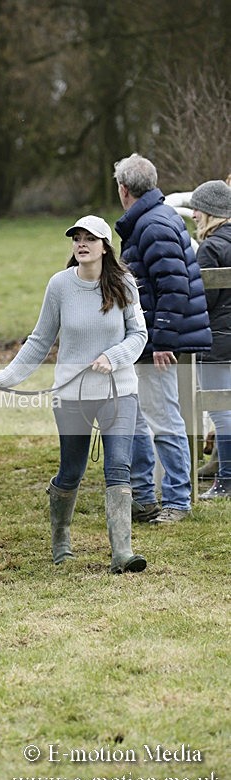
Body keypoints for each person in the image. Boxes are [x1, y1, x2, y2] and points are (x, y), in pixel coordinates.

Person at [0, 215, 148, 573]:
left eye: (90, 238)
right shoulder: (59, 286)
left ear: (106, 246)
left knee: (118, 466)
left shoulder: (124, 283)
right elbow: (40, 340)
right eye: (77, 239)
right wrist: (7, 377)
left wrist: (112, 356)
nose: (82, 244)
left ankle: (122, 552)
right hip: (71, 395)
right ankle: (61, 541)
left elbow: (138, 335)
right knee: (71, 471)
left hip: (120, 392)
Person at [114, 154, 212, 524]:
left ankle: (176, 500)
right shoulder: (155, 218)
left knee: (163, 418)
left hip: (156, 342)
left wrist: (163, 342)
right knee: (145, 417)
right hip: (150, 338)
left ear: (123, 190)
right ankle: (147, 495)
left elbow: (173, 286)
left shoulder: (152, 225)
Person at [189, 179, 231, 499]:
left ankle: (226, 480)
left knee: (221, 411)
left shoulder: (211, 247)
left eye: (198, 208)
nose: (193, 214)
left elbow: (204, 298)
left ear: (212, 212)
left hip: (217, 340)